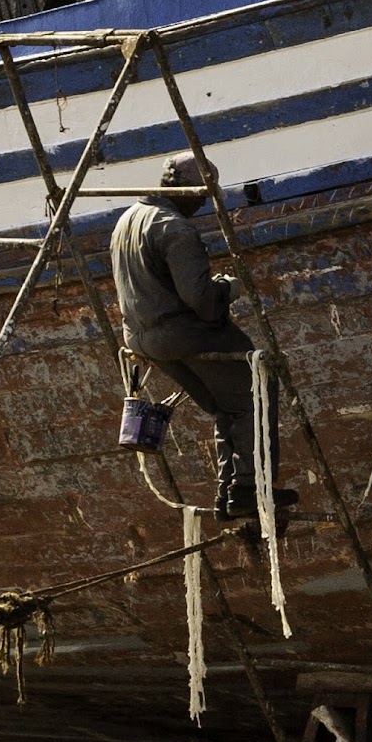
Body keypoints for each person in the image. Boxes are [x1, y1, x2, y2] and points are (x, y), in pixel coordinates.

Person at [109, 154, 260, 522]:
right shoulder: (175, 228)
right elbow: (201, 301)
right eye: (202, 195)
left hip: (142, 339)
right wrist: (227, 289)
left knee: (224, 407)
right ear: (187, 191)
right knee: (256, 388)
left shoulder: (127, 219)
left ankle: (230, 492)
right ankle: (248, 489)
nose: (204, 203)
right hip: (180, 333)